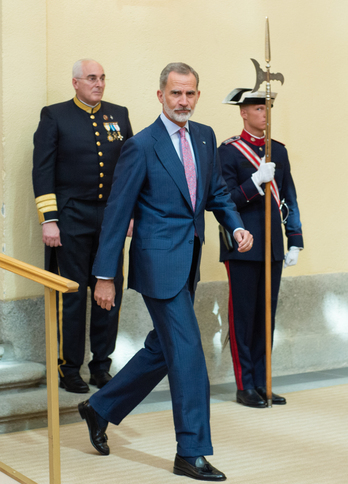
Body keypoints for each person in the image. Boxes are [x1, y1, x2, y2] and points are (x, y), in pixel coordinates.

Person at [78, 63, 253, 481]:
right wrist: (104, 275)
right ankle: (190, 451)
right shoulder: (141, 145)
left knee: (163, 349)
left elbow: (215, 192)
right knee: (189, 352)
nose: (183, 102)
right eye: (176, 94)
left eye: (190, 94)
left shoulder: (206, 137)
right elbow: (118, 214)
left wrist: (236, 224)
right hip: (157, 264)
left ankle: (99, 407)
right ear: (160, 95)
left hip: (188, 261)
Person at [32, 59, 133, 393]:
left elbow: (130, 170)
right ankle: (69, 367)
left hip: (110, 220)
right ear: (75, 82)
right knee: (72, 296)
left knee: (108, 293)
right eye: (92, 78)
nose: (99, 84)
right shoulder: (55, 115)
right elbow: (43, 170)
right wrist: (50, 220)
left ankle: (101, 366)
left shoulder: (118, 114)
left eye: (103, 78)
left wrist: (131, 213)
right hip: (71, 218)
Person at [218, 88, 303, 408]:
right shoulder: (228, 152)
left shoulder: (277, 151)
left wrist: (294, 240)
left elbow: (289, 198)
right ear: (243, 112)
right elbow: (224, 201)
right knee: (243, 318)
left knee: (267, 318)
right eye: (258, 108)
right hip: (243, 247)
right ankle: (245, 385)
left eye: (267, 108)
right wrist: (254, 182)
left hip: (273, 247)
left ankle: (263, 381)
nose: (265, 114)